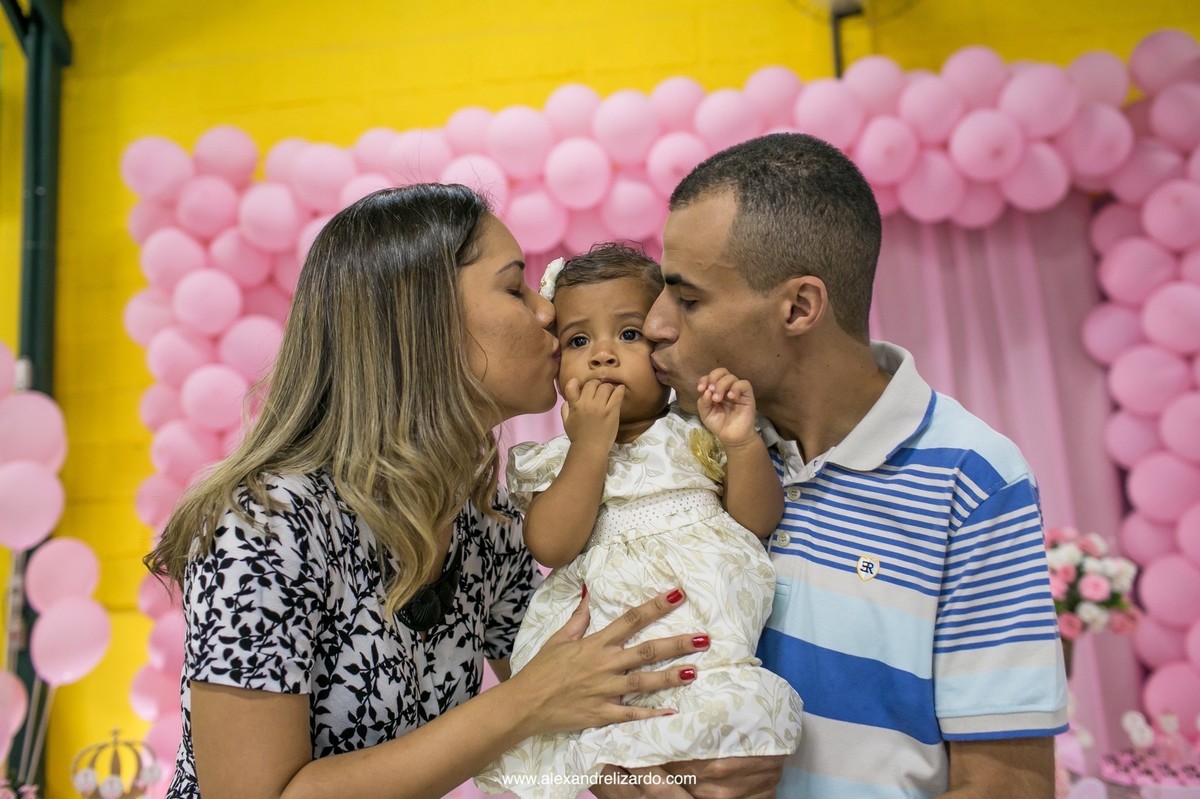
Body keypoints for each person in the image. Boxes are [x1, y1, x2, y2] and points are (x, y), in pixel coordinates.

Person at [143, 184, 712, 799]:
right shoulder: (264, 523)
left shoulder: (483, 519)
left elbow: (572, 705)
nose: (548, 311)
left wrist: (699, 771)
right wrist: (527, 701)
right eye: (515, 288)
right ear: (424, 321)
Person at [626, 132, 1069, 798]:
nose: (657, 323)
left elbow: (1009, 789)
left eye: (688, 300)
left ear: (799, 307)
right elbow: (600, 711)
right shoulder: (680, 454)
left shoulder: (973, 479)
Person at [474, 244, 802, 799]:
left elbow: (757, 522)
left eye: (628, 334)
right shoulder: (559, 458)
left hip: (708, 645)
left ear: (665, 349)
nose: (603, 356)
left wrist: (742, 444)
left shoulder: (697, 431)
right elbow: (552, 545)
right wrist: (590, 447)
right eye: (578, 341)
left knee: (720, 753)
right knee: (630, 761)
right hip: (611, 659)